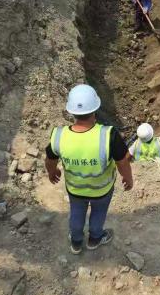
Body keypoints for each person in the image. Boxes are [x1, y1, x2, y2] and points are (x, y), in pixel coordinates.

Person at [45, 84, 133, 254]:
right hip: (102, 190)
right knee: (98, 214)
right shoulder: (108, 135)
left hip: (75, 189)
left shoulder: (59, 135)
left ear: (71, 111)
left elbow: (50, 159)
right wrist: (128, 178)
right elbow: (122, 162)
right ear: (95, 109)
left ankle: (76, 242)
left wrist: (52, 171)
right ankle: (95, 239)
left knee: (76, 214)